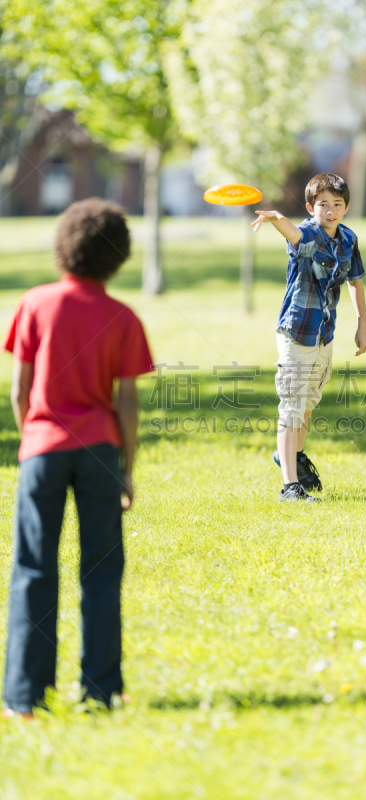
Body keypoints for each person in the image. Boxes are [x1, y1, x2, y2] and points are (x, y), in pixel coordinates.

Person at [2, 198, 154, 718]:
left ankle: (25, 697)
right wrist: (127, 469)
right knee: (102, 571)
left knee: (33, 569)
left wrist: (33, 441)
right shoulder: (123, 317)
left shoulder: (36, 304)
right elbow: (127, 403)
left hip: (42, 450)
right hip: (100, 454)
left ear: (64, 246)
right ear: (119, 256)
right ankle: (101, 689)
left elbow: (20, 391)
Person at [252, 172, 366, 502]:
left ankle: (293, 457)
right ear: (310, 207)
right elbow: (293, 233)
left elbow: (355, 282)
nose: (330, 211)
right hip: (297, 330)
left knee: (308, 404)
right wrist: (278, 219)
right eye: (323, 205)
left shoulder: (348, 239)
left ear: (346, 207)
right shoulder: (306, 233)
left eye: (337, 204)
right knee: (292, 406)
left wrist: (363, 324)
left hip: (324, 334)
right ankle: (290, 486)